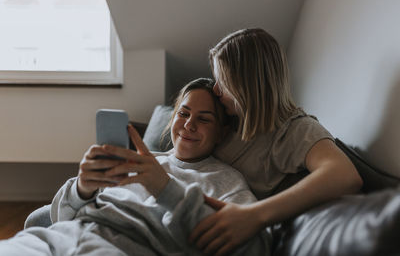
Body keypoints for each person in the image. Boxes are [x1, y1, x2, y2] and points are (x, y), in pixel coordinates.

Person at [0, 78, 271, 255]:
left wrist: (165, 189)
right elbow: (58, 217)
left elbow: (252, 247)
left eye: (204, 119)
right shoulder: (134, 158)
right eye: (184, 114)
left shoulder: (227, 180)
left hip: (120, 248)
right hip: (62, 235)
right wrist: (81, 188)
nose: (189, 125)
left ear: (222, 132)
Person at [189, 28, 364, 255]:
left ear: (248, 83)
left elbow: (345, 176)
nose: (215, 89)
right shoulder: (226, 117)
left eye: (223, 81)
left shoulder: (293, 130)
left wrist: (256, 216)